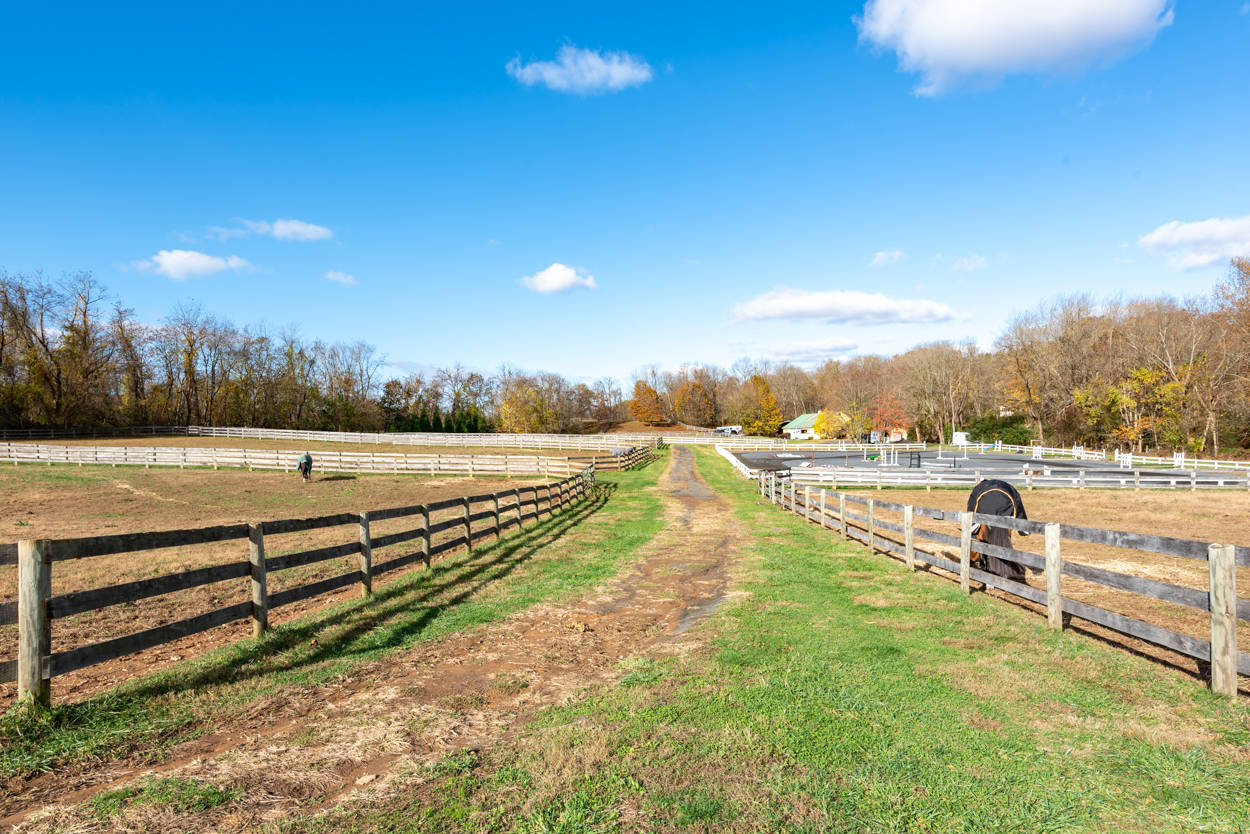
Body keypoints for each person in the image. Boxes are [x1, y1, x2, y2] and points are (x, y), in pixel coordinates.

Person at [966, 479, 1028, 583]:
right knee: (1004, 539)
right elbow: (1018, 503)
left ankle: (983, 564)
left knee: (979, 536)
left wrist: (971, 529)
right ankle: (1004, 566)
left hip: (985, 504)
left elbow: (971, 509)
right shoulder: (1009, 487)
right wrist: (1023, 528)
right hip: (1007, 504)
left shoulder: (978, 489)